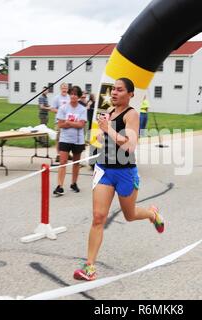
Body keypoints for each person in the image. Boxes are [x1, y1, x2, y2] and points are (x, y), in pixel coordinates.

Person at [73, 78, 164, 281]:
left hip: (125, 172)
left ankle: (151, 214)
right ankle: (89, 267)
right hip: (105, 170)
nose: (114, 93)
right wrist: (102, 135)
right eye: (113, 89)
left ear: (130, 94)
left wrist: (108, 130)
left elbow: (130, 146)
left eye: (119, 90)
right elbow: (104, 140)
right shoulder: (109, 114)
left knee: (130, 215)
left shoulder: (132, 115)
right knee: (98, 217)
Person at [53, 86, 87, 195]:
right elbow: (60, 124)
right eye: (71, 94)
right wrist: (71, 124)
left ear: (79, 96)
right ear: (69, 95)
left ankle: (74, 183)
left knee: (76, 163)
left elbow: (81, 125)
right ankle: (59, 186)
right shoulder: (63, 108)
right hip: (65, 139)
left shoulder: (82, 109)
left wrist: (68, 123)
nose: (73, 96)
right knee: (63, 162)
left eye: (76, 94)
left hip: (78, 140)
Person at [51, 83, 70, 162]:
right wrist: (61, 111)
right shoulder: (57, 98)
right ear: (60, 88)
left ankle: (67, 154)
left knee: (67, 138)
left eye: (65, 88)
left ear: (68, 89)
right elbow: (52, 109)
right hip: (59, 121)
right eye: (63, 88)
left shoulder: (69, 97)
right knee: (58, 138)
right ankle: (58, 154)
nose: (64, 89)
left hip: (68, 121)